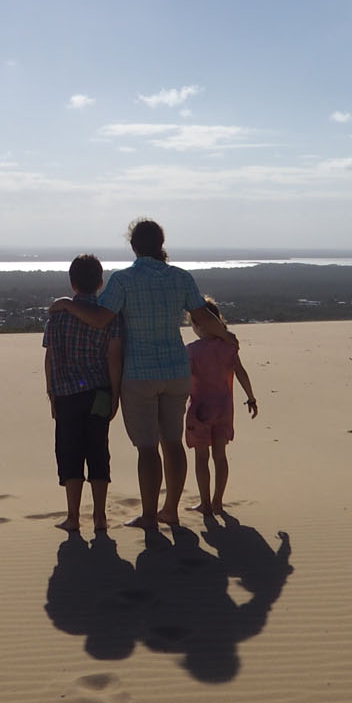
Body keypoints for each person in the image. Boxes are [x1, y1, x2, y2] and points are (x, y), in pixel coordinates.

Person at [49, 218, 230, 528]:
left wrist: (67, 304)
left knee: (147, 448)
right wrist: (226, 335)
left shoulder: (123, 280)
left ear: (133, 246)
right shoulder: (181, 277)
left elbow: (100, 319)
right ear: (161, 244)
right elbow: (202, 315)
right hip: (176, 370)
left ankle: (149, 516)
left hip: (140, 373)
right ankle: (170, 511)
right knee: (172, 442)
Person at [40, 253, 122, 530]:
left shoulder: (58, 315)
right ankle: (100, 517)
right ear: (100, 283)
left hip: (66, 395)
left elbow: (50, 358)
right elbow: (114, 358)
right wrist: (115, 395)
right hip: (100, 392)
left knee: (69, 453)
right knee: (98, 451)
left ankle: (73, 517)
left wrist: (52, 393)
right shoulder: (109, 316)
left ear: (72, 283)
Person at [183, 298, 257, 519]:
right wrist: (251, 397)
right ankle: (217, 501)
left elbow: (185, 381)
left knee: (201, 457)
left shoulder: (192, 351)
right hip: (224, 409)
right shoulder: (228, 347)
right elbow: (241, 372)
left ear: (197, 324)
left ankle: (205, 503)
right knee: (220, 456)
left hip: (200, 411)